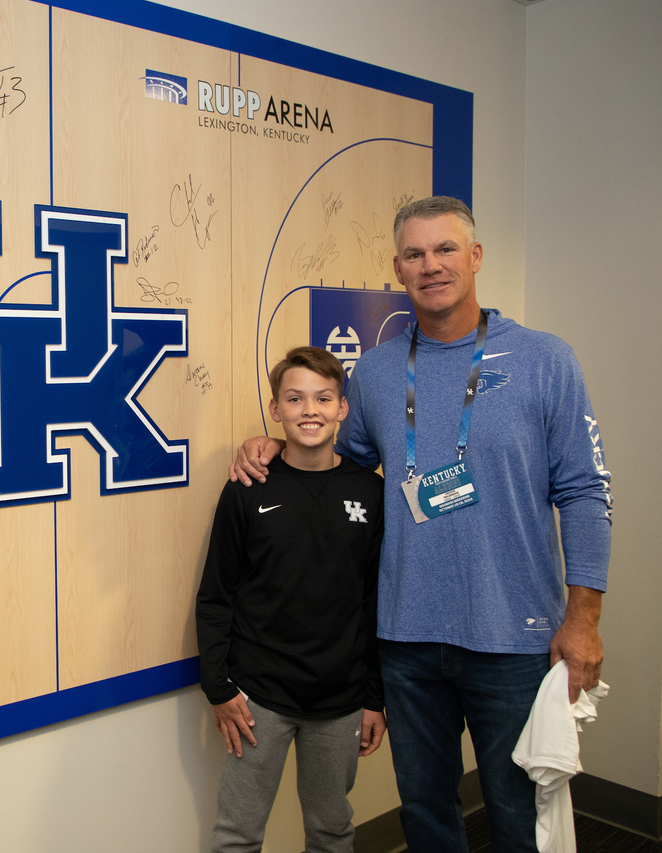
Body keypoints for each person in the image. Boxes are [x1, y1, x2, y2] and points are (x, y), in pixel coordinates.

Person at [229, 197, 612, 852]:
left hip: (514, 639)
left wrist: (583, 618)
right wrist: (268, 447)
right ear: (398, 269)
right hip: (406, 639)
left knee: (520, 817)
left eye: (445, 249)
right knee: (428, 817)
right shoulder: (375, 372)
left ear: (476, 257)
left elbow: (583, 490)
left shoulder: (545, 359)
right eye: (414, 254)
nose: (430, 265)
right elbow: (332, 466)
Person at [198, 346, 386, 853]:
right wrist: (219, 688)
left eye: (324, 398)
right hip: (258, 698)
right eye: (295, 398)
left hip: (342, 700)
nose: (310, 410)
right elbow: (217, 594)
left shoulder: (370, 492)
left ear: (342, 409)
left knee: (332, 831)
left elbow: (373, 601)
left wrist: (375, 696)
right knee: (237, 834)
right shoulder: (247, 487)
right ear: (276, 409)